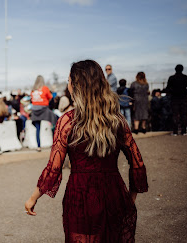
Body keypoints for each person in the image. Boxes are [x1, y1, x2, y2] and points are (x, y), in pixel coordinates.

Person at [25, 60, 148, 243]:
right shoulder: (116, 120)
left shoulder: (67, 121)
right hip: (113, 192)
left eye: (69, 81)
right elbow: (137, 163)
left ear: (75, 86)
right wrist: (130, 198)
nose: (68, 85)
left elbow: (54, 168)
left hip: (80, 195)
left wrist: (33, 197)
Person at [30, 75, 56, 152]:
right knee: (55, 120)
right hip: (44, 109)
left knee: (38, 129)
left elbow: (32, 99)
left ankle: (38, 146)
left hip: (35, 110)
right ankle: (56, 142)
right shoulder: (45, 88)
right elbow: (50, 97)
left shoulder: (33, 90)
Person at [166, 64, 187, 135]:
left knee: (175, 115)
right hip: (183, 97)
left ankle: (175, 131)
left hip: (174, 98)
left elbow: (168, 88)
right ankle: (183, 131)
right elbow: (185, 85)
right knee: (183, 115)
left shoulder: (171, 78)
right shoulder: (186, 77)